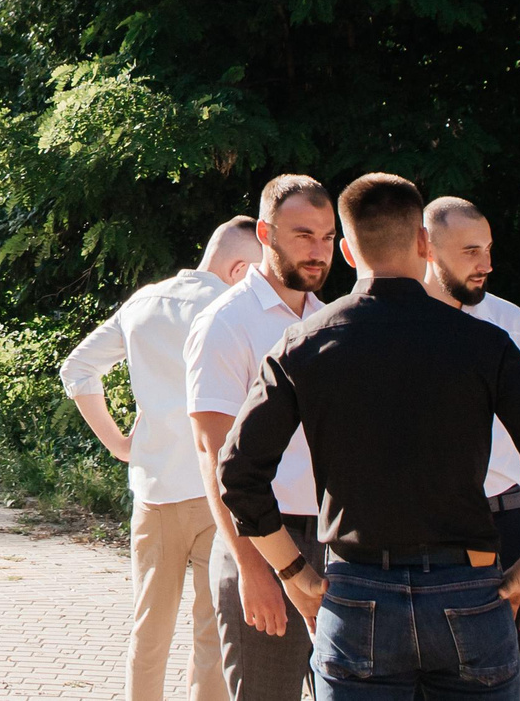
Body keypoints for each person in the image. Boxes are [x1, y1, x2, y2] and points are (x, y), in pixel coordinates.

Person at [220, 172, 520, 701]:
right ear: (423, 241)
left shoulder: (302, 346)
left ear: (348, 252)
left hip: (357, 592)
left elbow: (238, 473)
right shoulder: (485, 343)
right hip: (467, 588)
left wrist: (294, 572)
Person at [63, 218, 263, 701]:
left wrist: (117, 443)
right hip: (219, 491)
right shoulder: (236, 311)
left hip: (154, 491)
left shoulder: (144, 301)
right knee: (213, 633)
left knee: (149, 627)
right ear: (239, 268)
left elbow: (78, 368)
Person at [186, 175, 339, 701]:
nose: (319, 252)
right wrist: (253, 569)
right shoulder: (226, 322)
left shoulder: (328, 320)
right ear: (267, 234)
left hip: (336, 543)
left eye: (327, 236)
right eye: (304, 235)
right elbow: (214, 456)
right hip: (264, 543)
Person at [423, 197, 520, 701]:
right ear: (427, 247)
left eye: (488, 249)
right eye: (471, 250)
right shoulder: (390, 324)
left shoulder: (510, 322)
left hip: (503, 527)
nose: (486, 265)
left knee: (511, 685)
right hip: (415, 532)